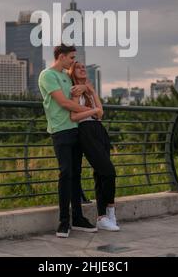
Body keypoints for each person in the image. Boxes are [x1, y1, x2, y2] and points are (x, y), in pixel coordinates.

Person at [38, 44, 99, 238]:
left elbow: (81, 91)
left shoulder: (66, 76)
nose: (73, 61)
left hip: (77, 129)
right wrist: (93, 112)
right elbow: (64, 103)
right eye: (71, 58)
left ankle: (78, 218)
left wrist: (85, 88)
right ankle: (64, 222)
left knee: (76, 175)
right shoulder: (48, 75)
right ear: (61, 57)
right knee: (65, 173)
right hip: (61, 130)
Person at [68, 62, 120, 231]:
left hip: (99, 129)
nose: (82, 69)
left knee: (101, 174)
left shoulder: (89, 89)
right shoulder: (75, 90)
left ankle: (102, 217)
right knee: (109, 172)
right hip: (86, 130)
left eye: (84, 67)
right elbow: (74, 116)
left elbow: (101, 112)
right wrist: (92, 111)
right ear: (72, 72)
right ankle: (110, 212)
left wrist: (91, 91)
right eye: (78, 67)